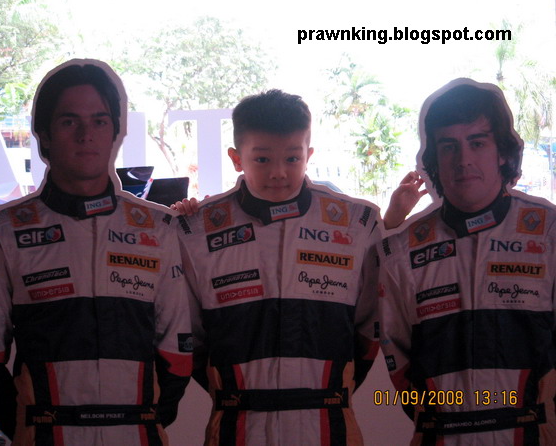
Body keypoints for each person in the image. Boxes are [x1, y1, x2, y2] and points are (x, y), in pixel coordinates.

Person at [0, 59, 193, 445]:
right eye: (70, 121)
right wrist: (29, 427)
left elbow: (178, 354)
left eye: (99, 121)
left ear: (115, 132)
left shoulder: (159, 227)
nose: (86, 135)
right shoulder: (0, 231)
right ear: (44, 135)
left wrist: (141, 419)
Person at [175, 89, 381, 445]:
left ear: (308, 155)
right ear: (237, 158)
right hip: (236, 425)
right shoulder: (197, 229)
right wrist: (237, 394)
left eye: (292, 158)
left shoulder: (357, 223)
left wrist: (324, 393)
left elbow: (369, 330)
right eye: (262, 159)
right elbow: (188, 336)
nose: (279, 172)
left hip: (329, 424)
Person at [378, 78, 556, 444]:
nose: (463, 161)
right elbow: (397, 355)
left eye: (477, 143)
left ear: (502, 152)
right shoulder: (402, 251)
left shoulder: (548, 232)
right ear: (434, 160)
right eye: (449, 147)